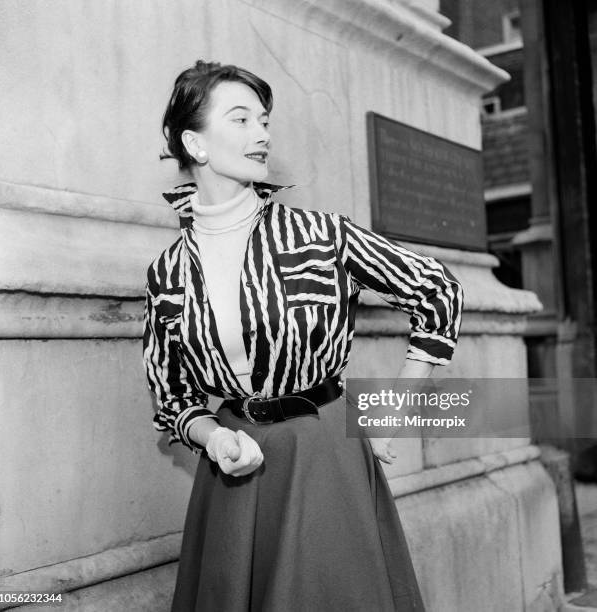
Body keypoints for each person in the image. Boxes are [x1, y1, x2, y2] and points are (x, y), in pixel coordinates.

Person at [143, 60, 463, 612]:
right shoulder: (167, 273)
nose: (262, 133)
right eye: (240, 119)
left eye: (263, 120)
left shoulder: (320, 235)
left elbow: (436, 290)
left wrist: (394, 414)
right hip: (232, 470)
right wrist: (213, 438)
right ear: (194, 143)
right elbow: (173, 398)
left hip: (322, 456)